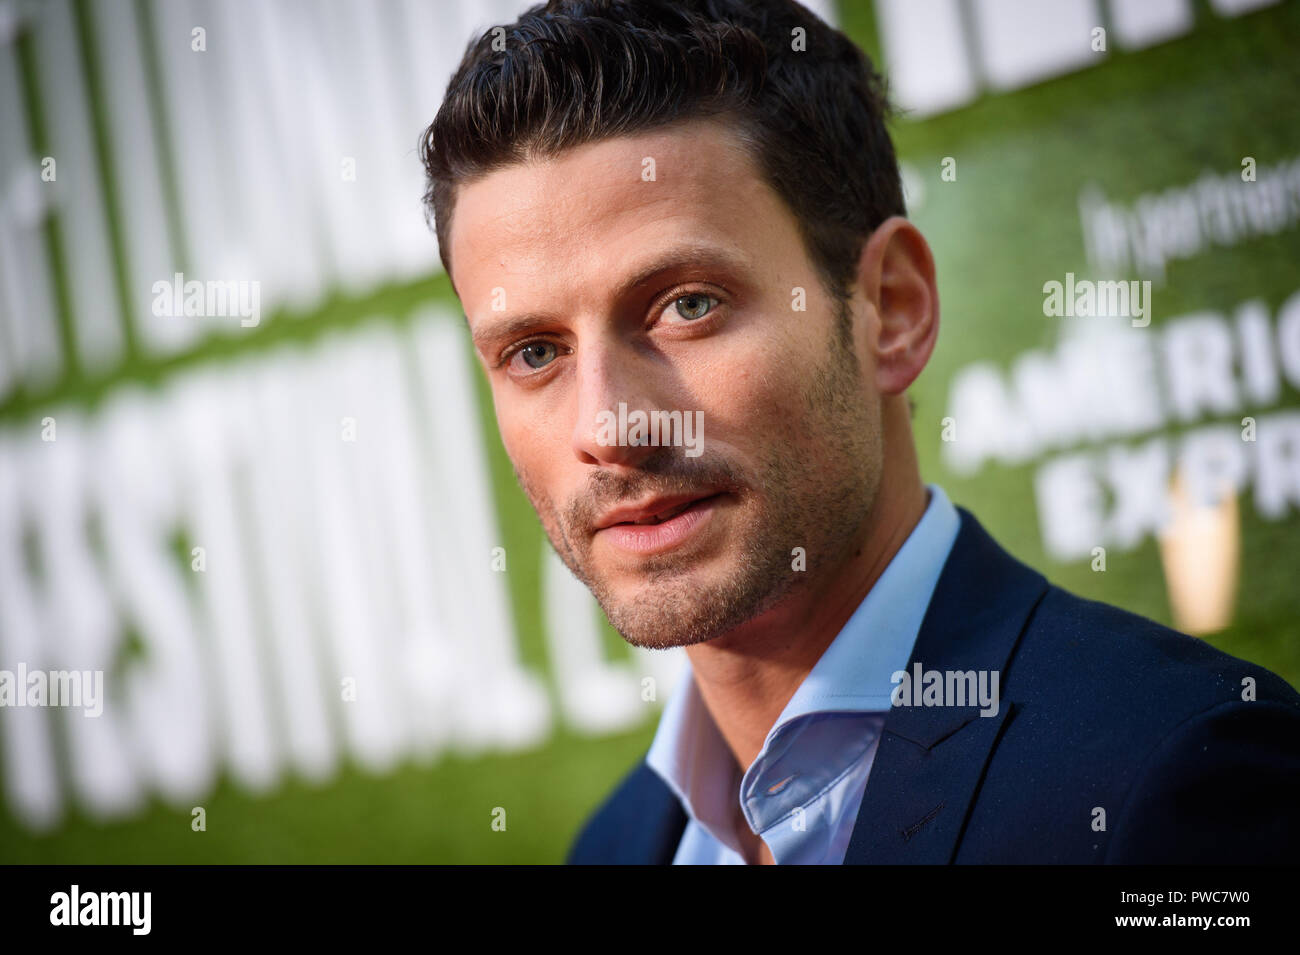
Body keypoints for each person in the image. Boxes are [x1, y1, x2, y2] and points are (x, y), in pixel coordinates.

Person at [418, 0, 1300, 864]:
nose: (610, 427)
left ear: (892, 310)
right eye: (534, 351)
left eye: (688, 305)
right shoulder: (613, 846)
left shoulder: (1179, 783)